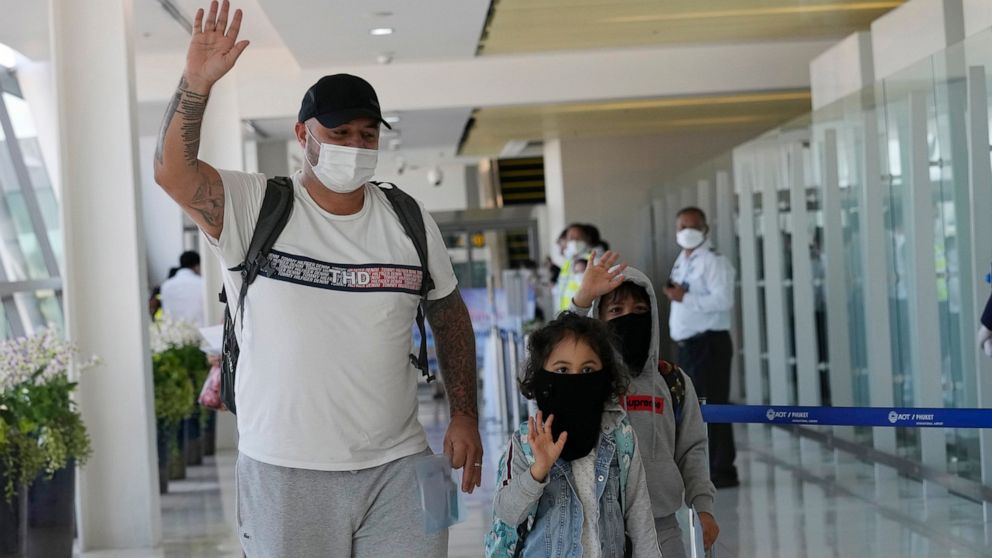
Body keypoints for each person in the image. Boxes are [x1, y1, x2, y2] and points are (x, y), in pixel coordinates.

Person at [152, 2, 481, 556]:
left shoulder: (408, 218)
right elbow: (173, 174)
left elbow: (448, 312)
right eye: (340, 132)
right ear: (303, 133)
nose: (355, 146)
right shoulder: (256, 206)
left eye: (367, 135)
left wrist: (465, 414)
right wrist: (196, 83)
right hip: (284, 470)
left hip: (401, 465)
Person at [570, 252, 720, 556]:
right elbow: (545, 361)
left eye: (640, 310)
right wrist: (581, 302)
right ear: (599, 320)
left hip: (661, 529)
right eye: (616, 310)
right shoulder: (584, 380)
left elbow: (692, 450)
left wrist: (703, 507)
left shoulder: (672, 381)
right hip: (596, 531)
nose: (630, 318)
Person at [486, 313, 661, 558]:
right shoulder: (525, 443)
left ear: (604, 377)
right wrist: (538, 471)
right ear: (542, 378)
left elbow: (640, 519)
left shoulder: (620, 438)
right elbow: (507, 513)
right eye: (562, 370)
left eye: (587, 369)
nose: (576, 380)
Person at [662, 207, 738, 488]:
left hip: (708, 343)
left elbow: (724, 300)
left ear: (706, 229)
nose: (687, 231)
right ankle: (704, 467)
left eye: (693, 226)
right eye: (682, 226)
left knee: (713, 406)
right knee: (695, 408)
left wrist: (684, 298)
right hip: (689, 345)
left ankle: (722, 469)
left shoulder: (714, 262)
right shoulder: (683, 259)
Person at [159, 251, 205, 326]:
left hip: (173, 331)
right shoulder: (202, 283)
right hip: (201, 329)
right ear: (197, 266)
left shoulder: (166, 285)